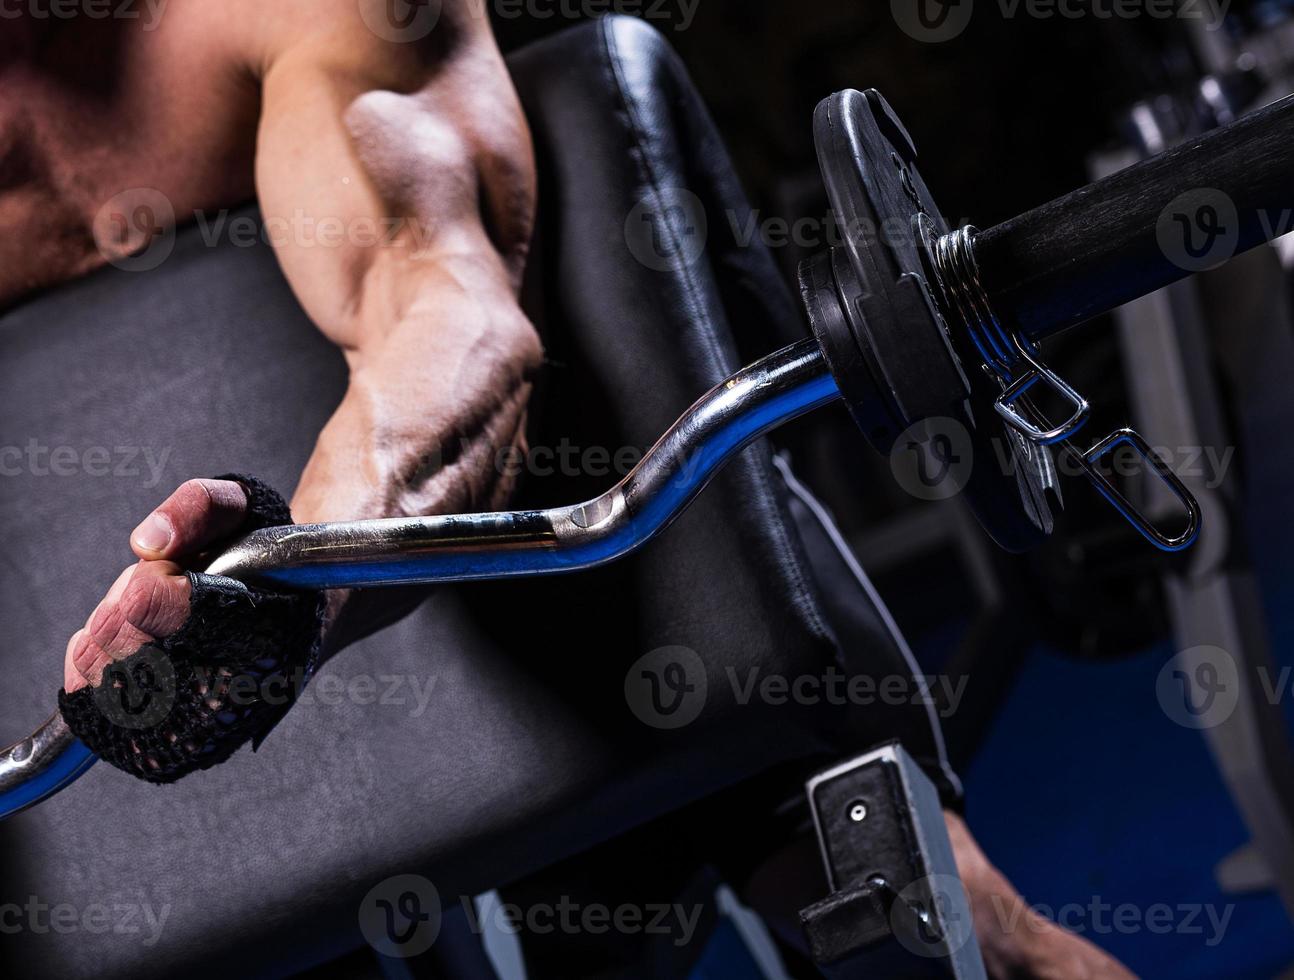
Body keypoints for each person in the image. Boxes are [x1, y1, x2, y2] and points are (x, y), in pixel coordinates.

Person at [3, 4, 1131, 975]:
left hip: (554, 544)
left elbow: (444, 311)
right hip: (103, 749)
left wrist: (287, 589)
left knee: (951, 935)